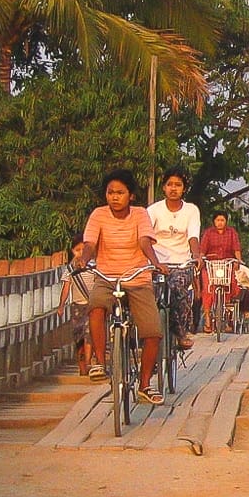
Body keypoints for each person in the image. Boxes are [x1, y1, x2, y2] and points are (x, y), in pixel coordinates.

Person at [75, 169, 168, 405]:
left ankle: (145, 384)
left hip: (137, 278)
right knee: (96, 306)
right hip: (106, 276)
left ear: (131, 195)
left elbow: (144, 241)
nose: (114, 197)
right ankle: (100, 361)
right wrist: (84, 258)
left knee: (153, 331)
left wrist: (155, 263)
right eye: (110, 192)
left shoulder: (139, 215)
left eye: (120, 192)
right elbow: (90, 243)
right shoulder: (98, 215)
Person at [147, 166, 201, 350]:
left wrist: (196, 255)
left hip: (181, 263)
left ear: (184, 188)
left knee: (178, 289)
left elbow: (193, 236)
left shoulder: (191, 210)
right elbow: (145, 238)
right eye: (169, 184)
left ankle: (180, 332)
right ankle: (147, 339)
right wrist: (153, 261)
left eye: (178, 185)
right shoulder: (153, 210)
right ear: (163, 187)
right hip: (156, 264)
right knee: (147, 295)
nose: (173, 188)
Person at [199, 210, 242, 333]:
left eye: (222, 220)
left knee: (230, 285)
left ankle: (227, 318)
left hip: (226, 265)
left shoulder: (232, 233)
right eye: (218, 220)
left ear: (226, 221)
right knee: (207, 288)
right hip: (210, 265)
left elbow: (236, 248)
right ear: (214, 221)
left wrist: (238, 261)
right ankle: (207, 317)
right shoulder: (208, 233)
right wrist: (201, 259)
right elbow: (202, 250)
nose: (220, 222)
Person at [56, 234, 92, 375]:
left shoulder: (93, 266)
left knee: (90, 335)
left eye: (84, 249)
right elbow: (66, 288)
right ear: (72, 251)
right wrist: (61, 306)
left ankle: (89, 364)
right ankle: (82, 367)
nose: (81, 253)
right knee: (79, 338)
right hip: (76, 306)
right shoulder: (70, 270)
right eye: (78, 250)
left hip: (91, 305)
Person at [235, 262, 249, 332]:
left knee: (246, 294)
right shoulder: (229, 269)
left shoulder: (245, 270)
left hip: (245, 288)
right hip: (234, 290)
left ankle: (246, 312)